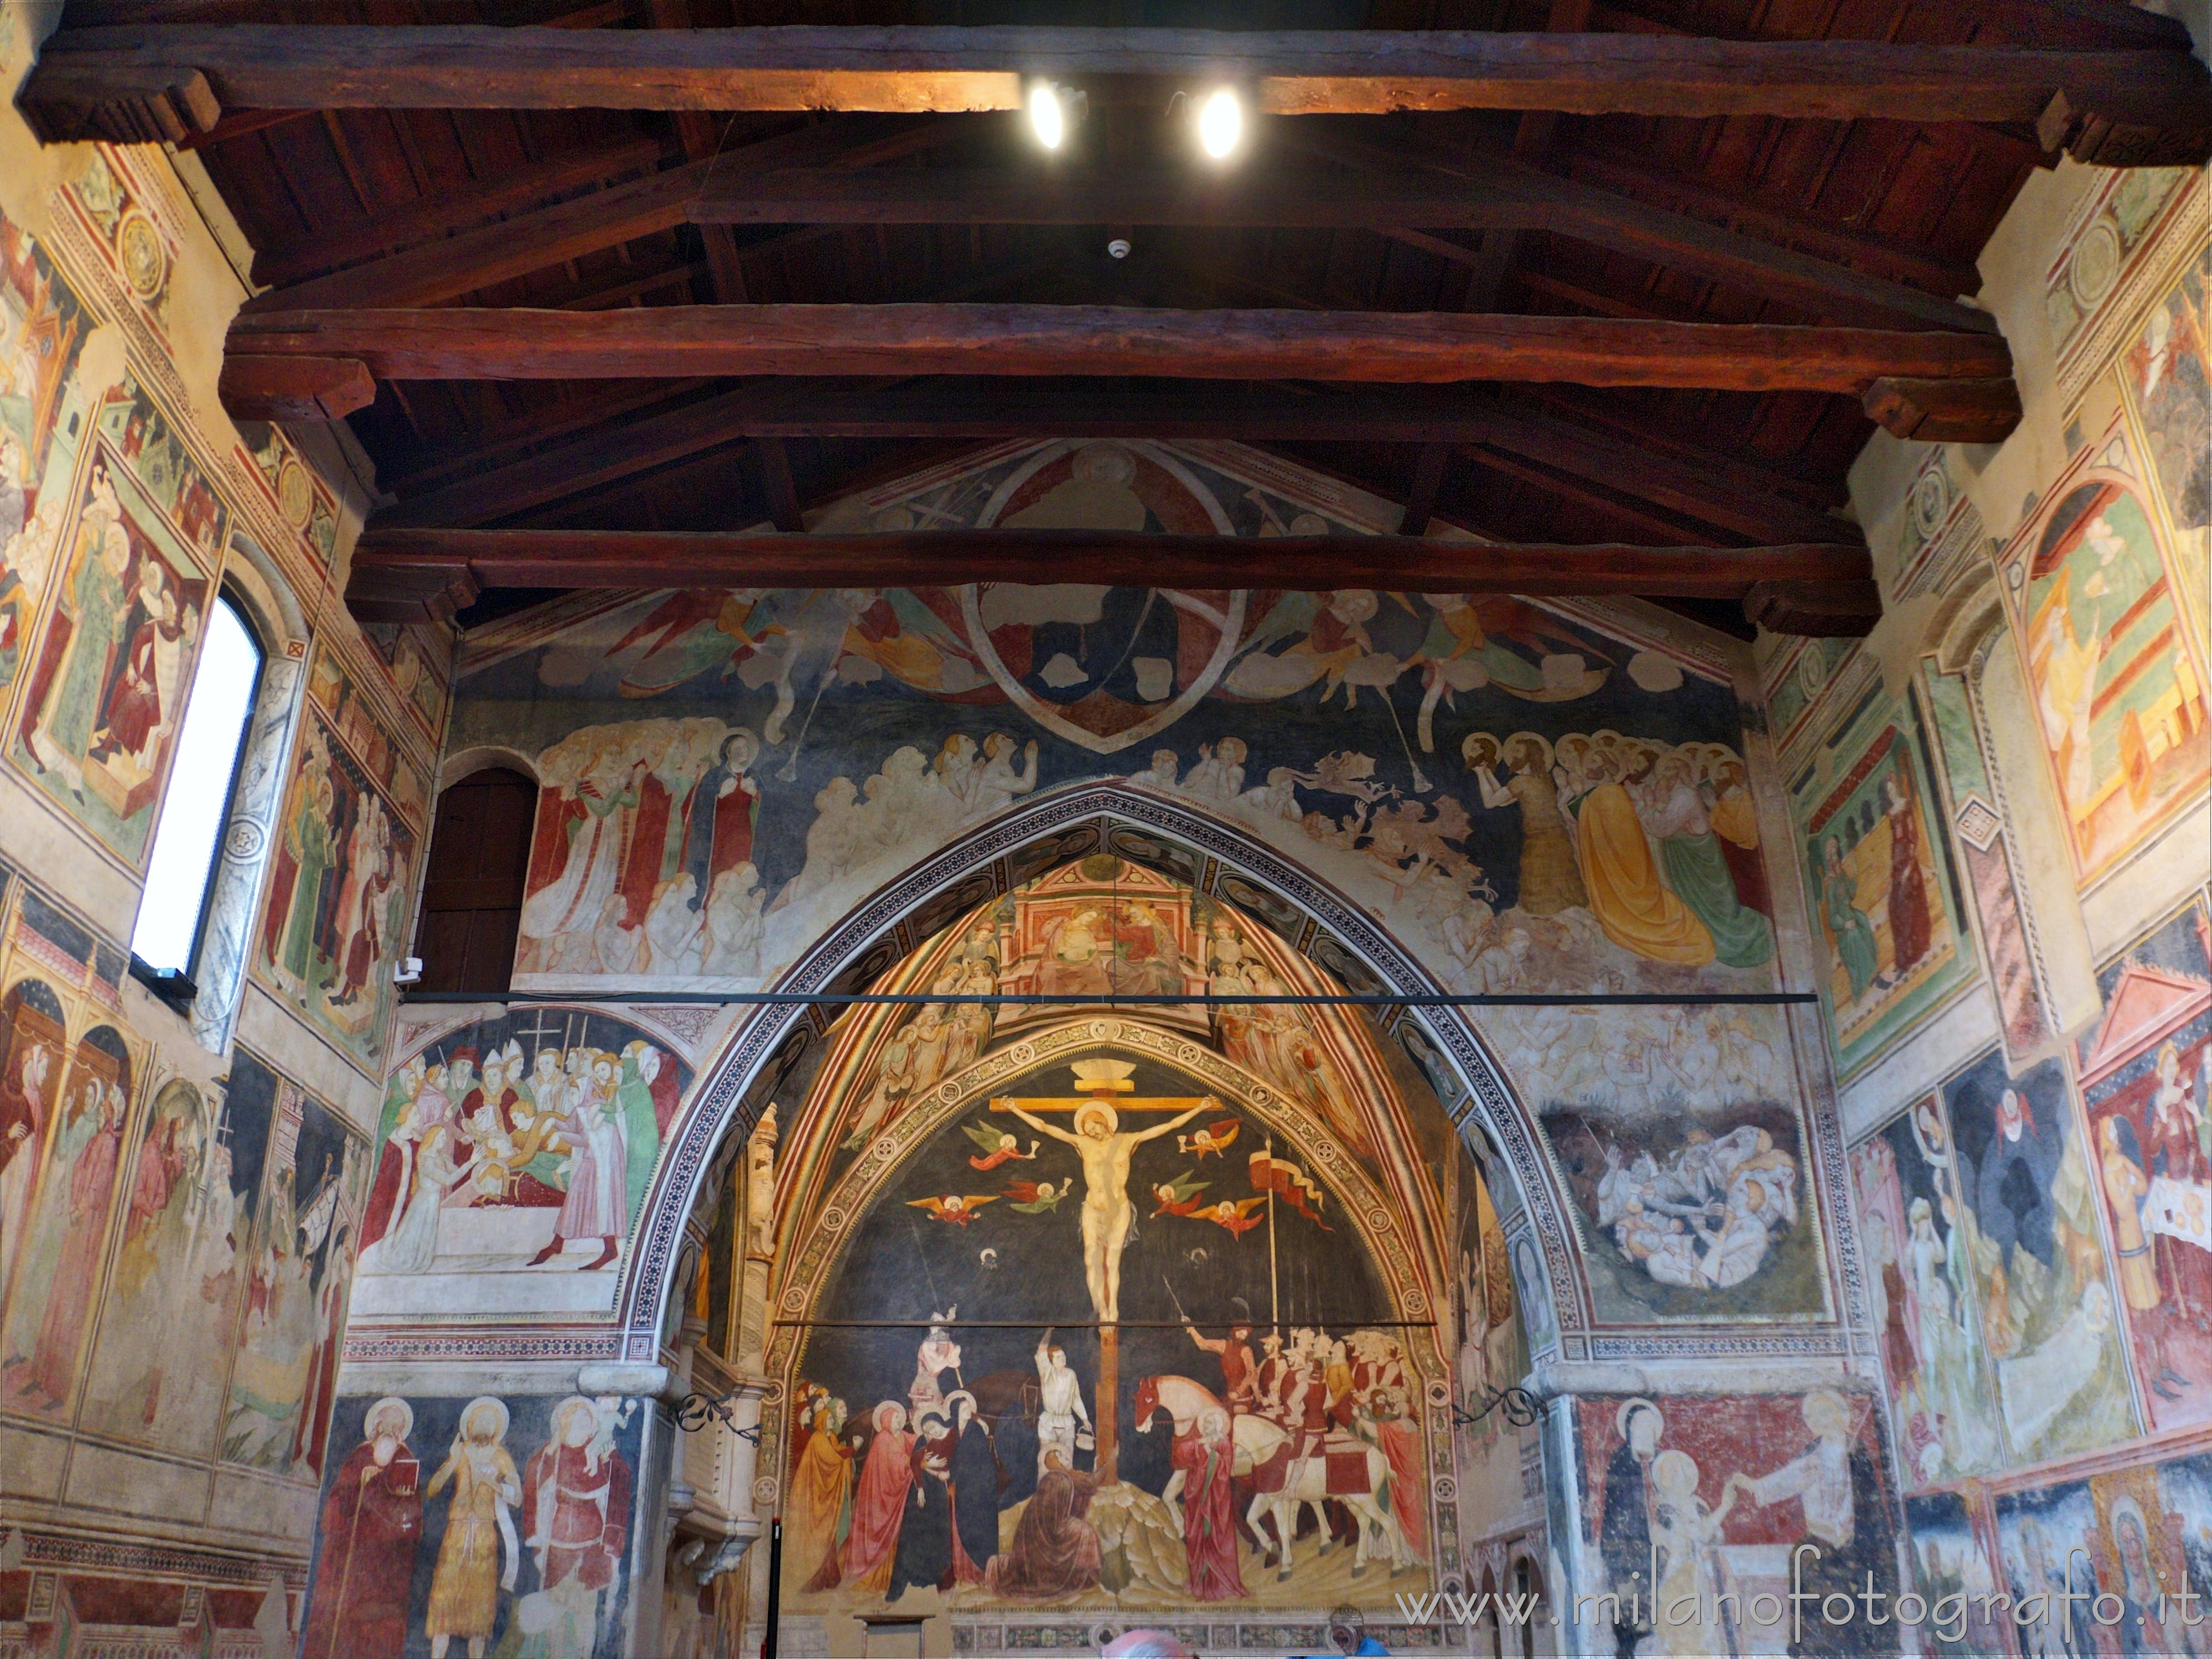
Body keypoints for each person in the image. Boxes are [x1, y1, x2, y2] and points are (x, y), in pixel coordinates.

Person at [303, 1397, 422, 1659]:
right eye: (386, 1422)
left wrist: (395, 1503)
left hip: (386, 1559)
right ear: (376, 1424)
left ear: (402, 1429)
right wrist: (361, 1483)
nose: (390, 1428)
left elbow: (411, 1510)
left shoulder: (405, 1458)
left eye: (396, 1424)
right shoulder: (360, 1455)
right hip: (352, 1551)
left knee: (378, 1620)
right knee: (344, 1611)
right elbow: (338, 1498)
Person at [424, 1397, 520, 1659]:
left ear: (496, 1428)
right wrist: (453, 1461)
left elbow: (517, 1497)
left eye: (489, 1422)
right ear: (470, 1425)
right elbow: (432, 1489)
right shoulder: (461, 1452)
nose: (484, 1426)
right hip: (456, 1533)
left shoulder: (501, 1457)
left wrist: (494, 1484)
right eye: (479, 1421)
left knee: (479, 1609)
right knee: (444, 1602)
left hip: (484, 1535)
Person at [838, 1402, 916, 1594]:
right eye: (896, 1417)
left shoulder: (901, 1437)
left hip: (892, 1502)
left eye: (900, 1417)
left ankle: (885, 1582)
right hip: (880, 1504)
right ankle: (869, 1579)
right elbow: (898, 1465)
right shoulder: (883, 1439)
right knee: (876, 1540)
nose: (900, 1420)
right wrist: (917, 1462)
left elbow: (917, 1441)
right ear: (887, 1421)